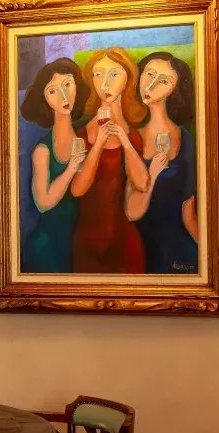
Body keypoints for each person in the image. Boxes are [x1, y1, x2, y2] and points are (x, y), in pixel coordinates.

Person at [69, 48, 149, 272]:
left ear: (127, 80)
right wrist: (98, 145)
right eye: (98, 74)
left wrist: (124, 140)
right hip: (87, 243)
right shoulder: (81, 133)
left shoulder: (134, 135)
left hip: (124, 243)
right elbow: (77, 189)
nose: (105, 82)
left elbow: (142, 184)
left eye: (114, 74)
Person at [125, 51, 199, 273]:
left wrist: (210, 256)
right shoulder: (131, 138)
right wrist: (153, 174)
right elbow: (131, 211)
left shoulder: (184, 138)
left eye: (164, 81)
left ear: (174, 90)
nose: (151, 84)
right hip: (139, 249)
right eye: (149, 74)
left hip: (178, 248)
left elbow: (188, 212)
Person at [18, 59, 88, 272]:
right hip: (50, 247)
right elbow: (43, 203)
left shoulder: (87, 131)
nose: (63, 96)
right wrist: (71, 168)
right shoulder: (42, 151)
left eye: (67, 85)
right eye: (52, 91)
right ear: (44, 99)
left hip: (82, 243)